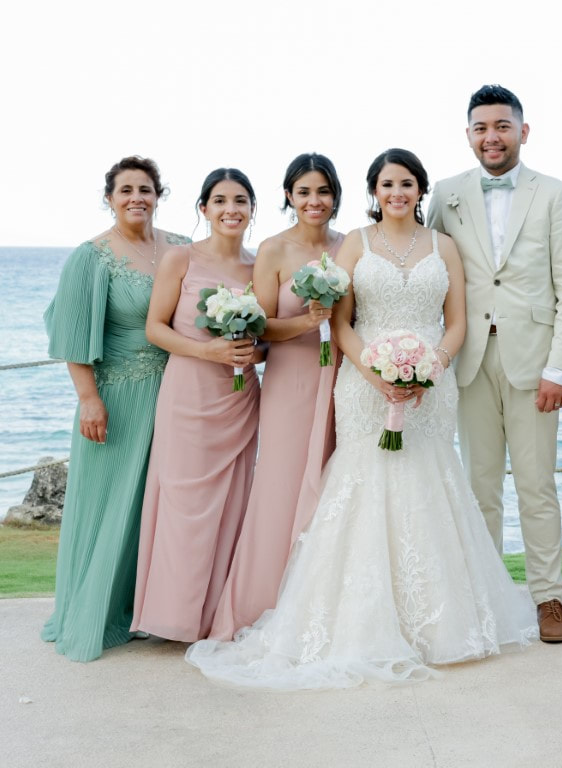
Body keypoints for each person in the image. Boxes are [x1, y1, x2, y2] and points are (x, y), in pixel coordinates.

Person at [186, 149, 537, 689]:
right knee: (363, 484)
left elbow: (457, 323)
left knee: (428, 481)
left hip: (430, 388)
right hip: (363, 383)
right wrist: (375, 372)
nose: (397, 192)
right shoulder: (355, 243)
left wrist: (432, 368)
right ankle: (358, 623)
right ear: (374, 191)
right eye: (387, 184)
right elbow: (342, 323)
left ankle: (438, 622)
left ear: (420, 190)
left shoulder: (443, 246)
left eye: (407, 183)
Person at [427, 85, 562, 644]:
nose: (491, 137)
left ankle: (548, 597)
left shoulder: (555, 194)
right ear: (468, 135)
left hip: (535, 360)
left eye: (502, 126)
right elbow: (429, 273)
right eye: (481, 128)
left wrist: (560, 368)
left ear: (523, 130)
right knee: (478, 487)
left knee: (538, 486)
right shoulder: (446, 194)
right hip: (467, 358)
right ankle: (486, 597)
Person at [41, 157, 190, 661]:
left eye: (145, 189)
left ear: (158, 195)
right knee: (109, 505)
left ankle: (150, 608)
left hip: (178, 394)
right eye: (125, 190)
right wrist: (89, 399)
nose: (136, 198)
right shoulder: (92, 257)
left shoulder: (180, 247)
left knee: (157, 505)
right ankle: (95, 612)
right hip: (118, 398)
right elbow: (72, 334)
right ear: (109, 198)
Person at [209, 153, 346, 640]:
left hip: (344, 379)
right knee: (282, 485)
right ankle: (264, 602)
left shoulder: (349, 245)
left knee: (337, 485)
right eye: (304, 192)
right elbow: (262, 326)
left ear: (335, 195)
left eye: (323, 191)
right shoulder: (273, 249)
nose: (314, 201)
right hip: (291, 379)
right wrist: (308, 321)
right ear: (289, 196)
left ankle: (329, 604)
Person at [132, 168, 262, 642]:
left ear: (252, 210)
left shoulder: (259, 267)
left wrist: (252, 353)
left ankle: (213, 617)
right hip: (188, 394)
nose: (231, 209)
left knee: (231, 506)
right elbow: (155, 328)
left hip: (239, 397)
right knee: (183, 504)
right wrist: (207, 352)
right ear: (204, 208)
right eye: (221, 200)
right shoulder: (180, 258)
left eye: (241, 200)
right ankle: (172, 617)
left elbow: (266, 342)